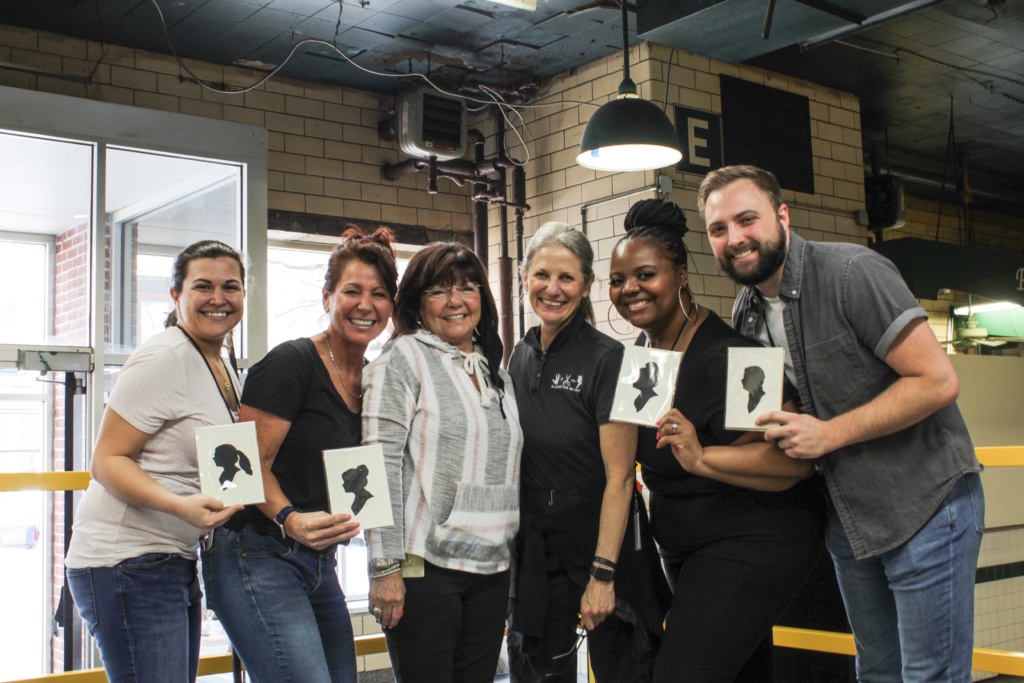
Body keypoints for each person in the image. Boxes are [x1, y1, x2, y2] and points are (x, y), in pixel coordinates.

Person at [699, 165, 985, 682]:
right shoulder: (746, 312)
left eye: (747, 220)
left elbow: (937, 381)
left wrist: (828, 433)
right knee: (876, 672)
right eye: (718, 229)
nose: (734, 239)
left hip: (924, 505)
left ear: (782, 216)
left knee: (931, 677)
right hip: (850, 525)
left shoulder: (853, 273)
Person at [607, 199, 824, 683]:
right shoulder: (643, 358)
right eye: (618, 280)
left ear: (681, 275)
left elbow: (791, 463)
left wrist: (703, 458)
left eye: (645, 274)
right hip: (687, 549)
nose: (630, 290)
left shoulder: (737, 356)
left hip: (754, 540)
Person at [203, 227, 399, 683]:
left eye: (379, 294)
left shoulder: (372, 378)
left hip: (318, 560)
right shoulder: (292, 362)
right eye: (352, 291)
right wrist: (289, 517)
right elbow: (240, 466)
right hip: (256, 552)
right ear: (328, 297)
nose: (365, 305)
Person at [65, 240, 246, 683]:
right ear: (175, 295)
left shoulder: (219, 360)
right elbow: (106, 461)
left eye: (231, 286)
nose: (218, 298)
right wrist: (179, 506)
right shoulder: (165, 357)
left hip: (170, 558)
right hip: (126, 561)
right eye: (203, 286)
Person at [507, 222, 670, 683]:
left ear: (586, 286)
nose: (552, 289)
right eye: (541, 276)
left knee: (627, 667)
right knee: (536, 671)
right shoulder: (519, 356)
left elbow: (620, 478)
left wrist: (603, 575)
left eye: (566, 278)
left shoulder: (606, 359)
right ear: (525, 280)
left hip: (603, 541)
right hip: (539, 546)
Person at [362, 242, 524, 683]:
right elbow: (376, 470)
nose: (456, 301)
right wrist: (385, 569)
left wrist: (507, 579)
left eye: (468, 288)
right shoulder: (400, 361)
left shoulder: (497, 373)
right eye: (439, 290)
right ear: (416, 302)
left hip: (490, 571)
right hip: (423, 571)